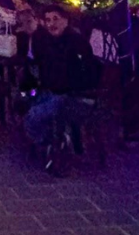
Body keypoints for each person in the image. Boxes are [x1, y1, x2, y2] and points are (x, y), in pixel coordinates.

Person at [24, 9, 101, 170]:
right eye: (48, 20)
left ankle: (52, 144)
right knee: (24, 100)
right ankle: (52, 141)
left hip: (71, 94)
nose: (51, 24)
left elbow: (87, 73)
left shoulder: (76, 42)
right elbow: (36, 64)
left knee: (34, 116)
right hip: (49, 90)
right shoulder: (45, 40)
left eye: (55, 19)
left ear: (66, 20)